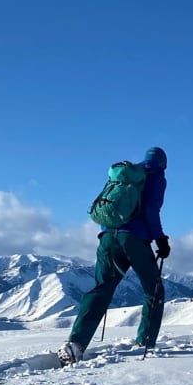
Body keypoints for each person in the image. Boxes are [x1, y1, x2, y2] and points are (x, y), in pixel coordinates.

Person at [59, 147, 170, 365]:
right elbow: (151, 210)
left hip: (107, 237)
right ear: (163, 164)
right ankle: (145, 342)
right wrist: (160, 239)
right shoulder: (157, 178)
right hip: (135, 240)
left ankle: (75, 343)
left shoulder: (124, 177)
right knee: (153, 289)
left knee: (102, 289)